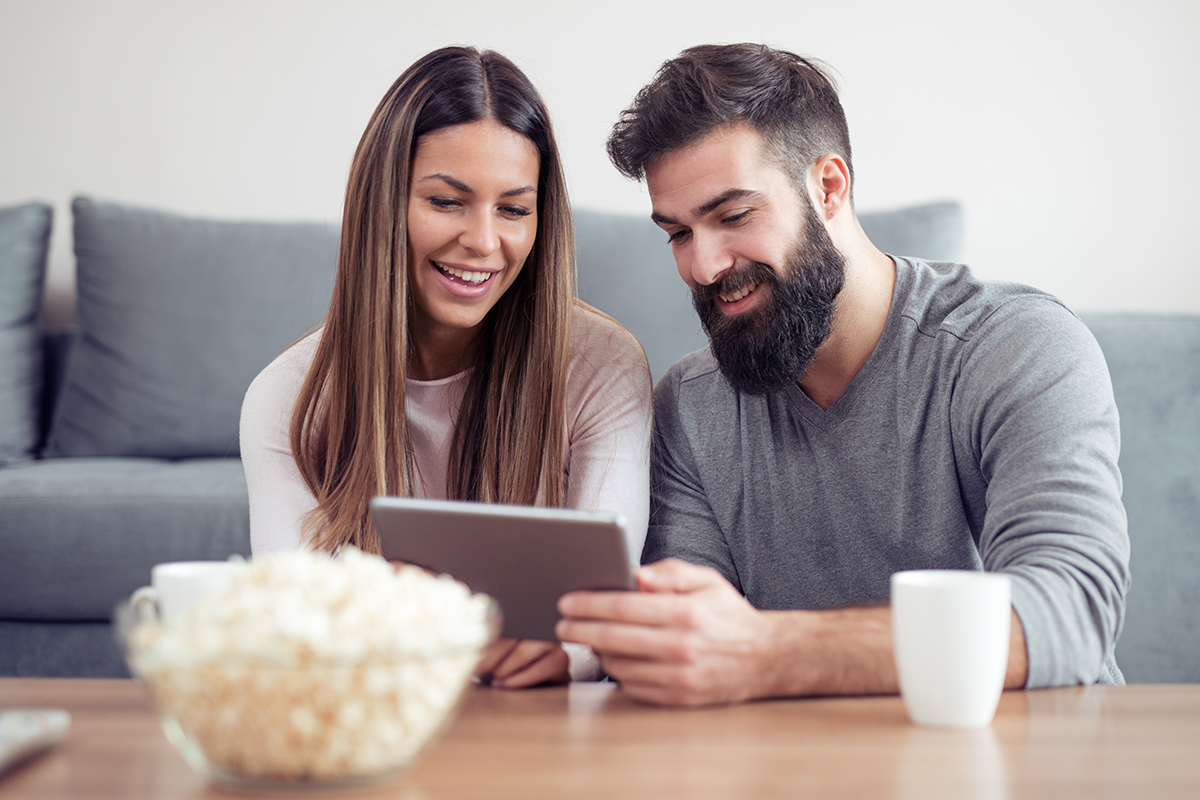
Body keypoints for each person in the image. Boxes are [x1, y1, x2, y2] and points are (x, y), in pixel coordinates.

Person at [556, 43, 1129, 707]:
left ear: (828, 187)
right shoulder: (689, 408)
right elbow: (684, 654)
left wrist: (771, 653)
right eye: (677, 233)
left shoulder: (1015, 349)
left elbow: (1073, 610)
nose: (704, 266)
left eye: (733, 216)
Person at [240, 46, 652, 690]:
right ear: (384, 205)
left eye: (513, 209)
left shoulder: (604, 366)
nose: (485, 242)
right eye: (447, 201)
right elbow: (297, 623)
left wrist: (566, 653)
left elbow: (608, 598)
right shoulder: (287, 397)